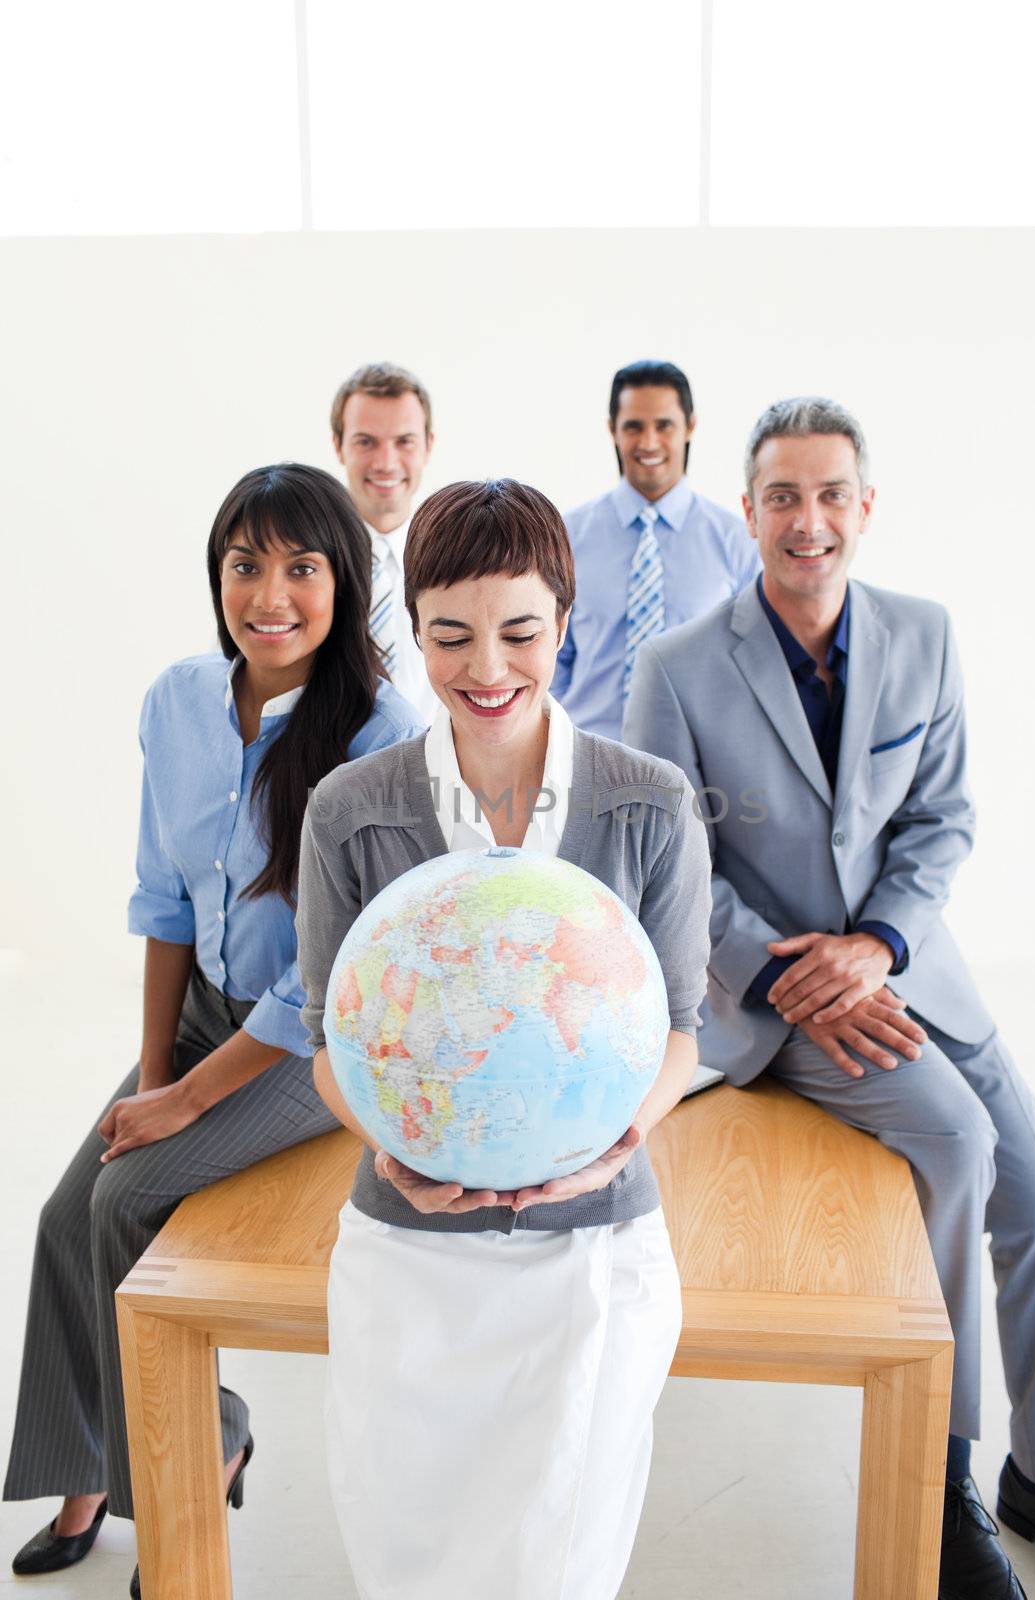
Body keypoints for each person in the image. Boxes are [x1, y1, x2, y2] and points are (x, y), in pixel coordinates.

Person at [622, 396, 1035, 1600]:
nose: (804, 520)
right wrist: (788, 970)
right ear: (748, 509)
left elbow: (940, 818)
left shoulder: (923, 634)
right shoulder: (674, 669)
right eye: (780, 496)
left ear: (863, 509)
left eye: (828, 495)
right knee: (958, 1143)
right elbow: (667, 866)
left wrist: (874, 942)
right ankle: (937, 1484)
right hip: (768, 999)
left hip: (907, 969)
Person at [5, 463, 424, 1592]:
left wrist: (185, 1102)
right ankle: (92, 1463)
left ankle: (192, 1462)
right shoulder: (178, 701)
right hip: (200, 1014)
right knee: (66, 1208)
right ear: (217, 575)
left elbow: (330, 979)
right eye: (245, 564)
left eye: (300, 566)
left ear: (344, 580)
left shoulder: (382, 730)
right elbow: (162, 905)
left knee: (127, 1198)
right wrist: (152, 1075)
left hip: (312, 1038)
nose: (269, 593)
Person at [296, 478, 712, 1600]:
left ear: (566, 622)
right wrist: (388, 1147)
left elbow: (676, 1026)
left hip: (593, 1246)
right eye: (449, 636)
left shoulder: (651, 802)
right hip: (407, 1245)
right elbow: (331, 1045)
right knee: (405, 1551)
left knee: (552, 1564)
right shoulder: (348, 809)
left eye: (521, 631)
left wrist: (614, 1140)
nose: (487, 669)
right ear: (410, 633)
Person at [551, 358, 760, 740]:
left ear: (690, 426)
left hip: (697, 762)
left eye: (664, 425)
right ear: (613, 429)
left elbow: (754, 663)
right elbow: (547, 653)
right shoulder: (565, 536)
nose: (648, 443)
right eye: (634, 427)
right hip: (586, 756)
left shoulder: (738, 542)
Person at [331, 358, 439, 723]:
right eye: (366, 442)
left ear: (428, 445)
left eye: (404, 442)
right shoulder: (297, 563)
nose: (386, 462)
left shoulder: (462, 561)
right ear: (338, 445)